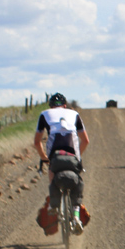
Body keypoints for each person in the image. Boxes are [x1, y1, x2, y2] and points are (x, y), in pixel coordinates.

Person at [34, 92, 90, 234]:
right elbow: (85, 141)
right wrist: (77, 158)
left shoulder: (44, 114)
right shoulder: (74, 114)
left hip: (55, 156)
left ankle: (55, 206)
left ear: (51, 106)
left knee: (53, 176)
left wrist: (45, 158)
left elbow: (37, 141)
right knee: (77, 182)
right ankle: (76, 216)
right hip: (72, 155)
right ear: (65, 106)